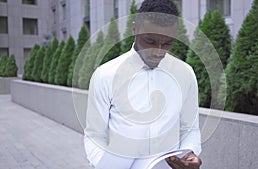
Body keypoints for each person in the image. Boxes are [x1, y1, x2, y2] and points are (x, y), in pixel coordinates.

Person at [84, 0, 202, 168]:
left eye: (168, 42)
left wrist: (190, 153)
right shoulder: (105, 75)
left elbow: (189, 128)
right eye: (150, 41)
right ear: (135, 29)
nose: (159, 50)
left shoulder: (185, 74)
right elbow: (94, 135)